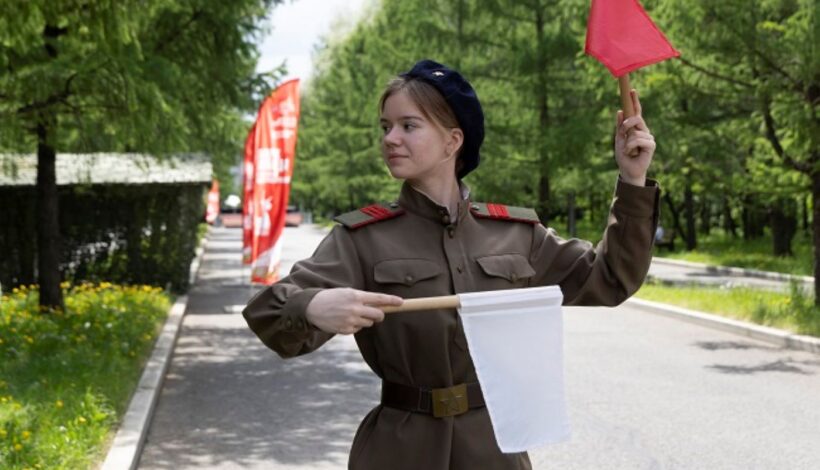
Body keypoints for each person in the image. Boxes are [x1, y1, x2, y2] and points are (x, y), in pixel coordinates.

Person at [243, 59, 660, 470]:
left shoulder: (516, 234)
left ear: (452, 140)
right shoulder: (362, 239)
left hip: (493, 449)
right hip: (400, 449)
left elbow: (610, 278)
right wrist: (313, 307)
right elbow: (269, 313)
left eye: (409, 125)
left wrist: (633, 181)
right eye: (385, 126)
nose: (390, 138)